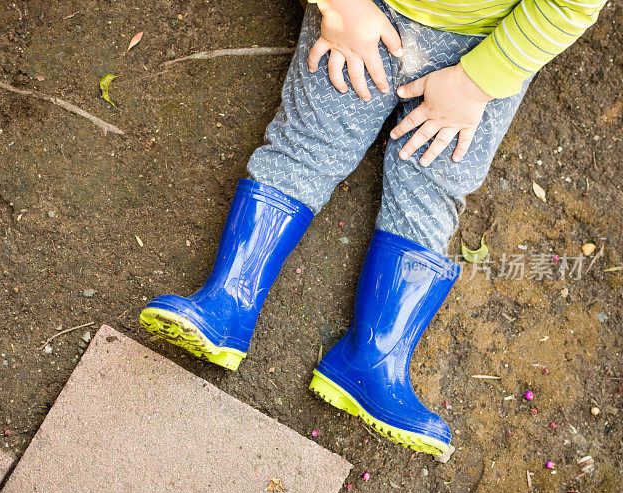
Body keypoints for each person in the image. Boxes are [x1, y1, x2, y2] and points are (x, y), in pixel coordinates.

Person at [140, 0, 607, 455]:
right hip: (366, 16)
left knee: (431, 184)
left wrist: (477, 84)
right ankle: (228, 302)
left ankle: (373, 362)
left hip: (489, 46)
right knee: (308, 144)